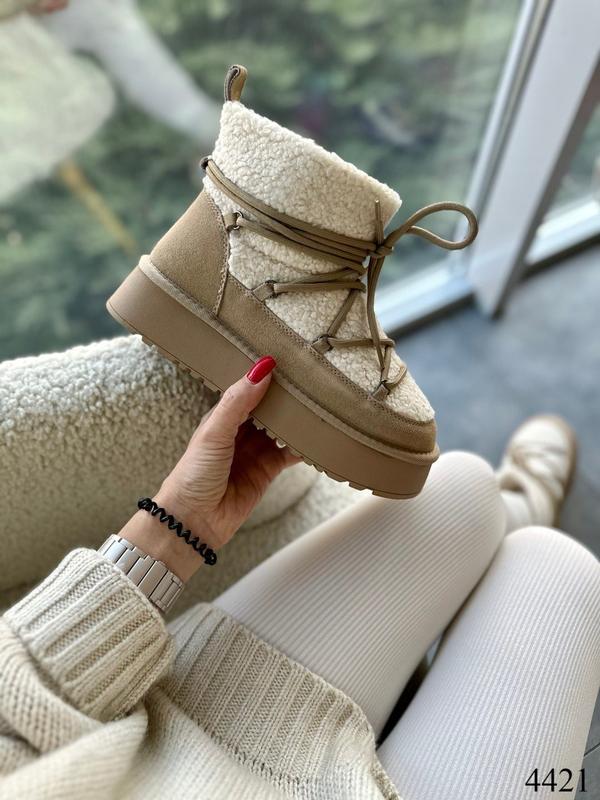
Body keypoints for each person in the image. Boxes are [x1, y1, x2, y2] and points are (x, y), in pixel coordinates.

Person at [0, 354, 598, 799]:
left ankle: (509, 523)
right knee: (563, 571)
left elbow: (15, 716)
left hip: (201, 728)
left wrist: (180, 523)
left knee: (461, 489)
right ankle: (518, 532)